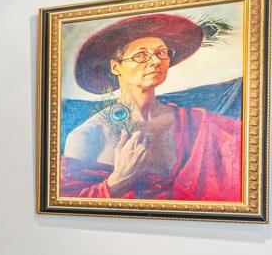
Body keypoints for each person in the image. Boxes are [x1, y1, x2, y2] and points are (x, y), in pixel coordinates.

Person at [61, 13, 241, 201]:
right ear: (116, 67)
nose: (156, 61)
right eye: (141, 55)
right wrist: (119, 180)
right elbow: (70, 201)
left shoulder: (197, 122)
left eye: (161, 53)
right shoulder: (87, 135)